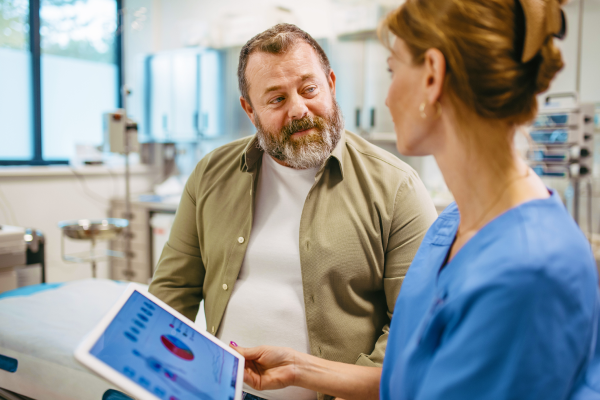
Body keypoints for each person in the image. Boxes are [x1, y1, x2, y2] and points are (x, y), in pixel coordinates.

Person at [229, 1, 600, 399]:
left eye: (393, 70)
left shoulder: (531, 270)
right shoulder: (453, 225)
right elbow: (414, 379)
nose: (387, 97)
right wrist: (301, 368)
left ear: (432, 77)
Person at [148, 24, 438, 400]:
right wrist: (150, 369)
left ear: (331, 84)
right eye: (276, 99)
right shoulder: (210, 174)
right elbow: (173, 289)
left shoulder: (398, 187)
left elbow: (414, 326)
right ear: (249, 110)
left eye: (309, 89)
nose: (299, 109)